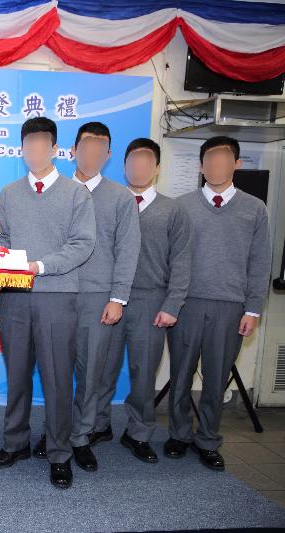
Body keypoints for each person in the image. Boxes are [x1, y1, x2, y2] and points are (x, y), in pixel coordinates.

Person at [0, 116, 96, 489]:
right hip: (16, 299)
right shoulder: (8, 193)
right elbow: (1, 241)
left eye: (41, 145)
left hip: (57, 297)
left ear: (54, 149)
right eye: (27, 145)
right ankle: (14, 443)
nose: (34, 151)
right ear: (21, 150)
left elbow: (83, 245)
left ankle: (59, 453)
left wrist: (41, 266)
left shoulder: (75, 193)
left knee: (56, 380)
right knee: (16, 376)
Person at [33, 122, 140, 472]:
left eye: (101, 149)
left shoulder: (121, 198)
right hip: (54, 293)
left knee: (91, 371)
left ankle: (79, 436)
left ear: (108, 155)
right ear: (72, 151)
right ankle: (55, 433)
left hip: (97, 297)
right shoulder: (54, 190)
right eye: (86, 147)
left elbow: (128, 251)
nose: (92, 154)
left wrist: (118, 297)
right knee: (55, 371)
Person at [166, 136, 271, 471]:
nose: (216, 166)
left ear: (237, 164)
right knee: (180, 374)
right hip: (186, 304)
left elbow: (260, 262)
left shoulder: (255, 209)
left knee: (216, 378)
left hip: (231, 307)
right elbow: (171, 258)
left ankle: (208, 439)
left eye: (224, 159)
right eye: (210, 160)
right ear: (201, 165)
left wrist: (253, 308)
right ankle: (179, 434)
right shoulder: (181, 206)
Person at [93, 138, 192, 463]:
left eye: (147, 161)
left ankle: (138, 432)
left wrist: (172, 304)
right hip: (108, 298)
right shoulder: (110, 202)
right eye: (133, 161)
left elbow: (181, 260)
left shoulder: (172, 209)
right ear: (123, 166)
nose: (139, 167)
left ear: (157, 168)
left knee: (143, 372)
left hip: (151, 300)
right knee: (102, 369)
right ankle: (98, 424)